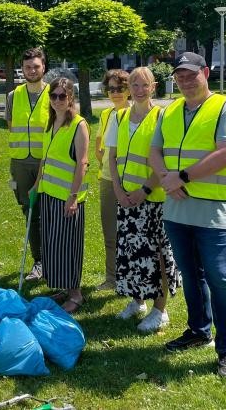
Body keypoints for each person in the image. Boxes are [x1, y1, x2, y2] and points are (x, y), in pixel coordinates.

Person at [148, 52, 226, 381]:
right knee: (191, 276)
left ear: (205, 72)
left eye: (192, 74)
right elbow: (155, 150)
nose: (186, 80)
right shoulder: (170, 110)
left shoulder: (225, 108)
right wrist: (165, 177)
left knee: (219, 277)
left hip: (213, 211)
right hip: (177, 210)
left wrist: (183, 177)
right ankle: (198, 330)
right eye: (180, 75)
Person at [106, 67, 180, 333]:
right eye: (134, 85)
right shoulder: (120, 117)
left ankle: (161, 310)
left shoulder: (162, 116)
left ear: (153, 87)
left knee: (157, 254)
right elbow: (112, 158)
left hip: (153, 200)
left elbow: (166, 160)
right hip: (126, 198)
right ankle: (137, 301)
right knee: (131, 252)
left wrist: (145, 190)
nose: (138, 90)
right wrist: (117, 189)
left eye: (143, 85)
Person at [34, 77, 89, 313]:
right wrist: (36, 183)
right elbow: (45, 159)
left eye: (62, 96)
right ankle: (64, 287)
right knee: (53, 244)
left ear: (71, 98)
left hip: (68, 197)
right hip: (48, 194)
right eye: (53, 96)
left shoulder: (79, 125)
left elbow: (83, 163)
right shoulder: (51, 122)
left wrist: (73, 196)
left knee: (67, 245)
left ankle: (76, 294)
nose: (57, 100)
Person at [7, 47, 49, 281]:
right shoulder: (14, 95)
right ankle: (39, 261)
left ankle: (53, 259)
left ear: (44, 67)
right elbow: (12, 125)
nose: (32, 70)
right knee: (30, 211)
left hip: (48, 161)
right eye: (27, 67)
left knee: (50, 210)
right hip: (21, 163)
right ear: (22, 70)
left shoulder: (54, 93)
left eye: (36, 66)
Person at [95, 69, 130, 291]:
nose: (116, 93)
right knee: (110, 233)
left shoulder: (136, 113)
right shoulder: (106, 115)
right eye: (111, 89)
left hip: (131, 181)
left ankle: (130, 278)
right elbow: (99, 143)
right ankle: (112, 278)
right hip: (108, 179)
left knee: (131, 233)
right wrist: (102, 158)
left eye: (120, 88)